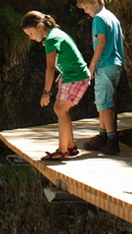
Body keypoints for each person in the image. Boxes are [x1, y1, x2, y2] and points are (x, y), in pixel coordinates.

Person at [22, 11, 91, 161]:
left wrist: (46, 92)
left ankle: (62, 150)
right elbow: (69, 55)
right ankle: (70, 147)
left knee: (60, 109)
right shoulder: (55, 34)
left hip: (76, 76)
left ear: (39, 26)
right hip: (72, 75)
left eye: (30, 33)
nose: (31, 37)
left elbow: (50, 67)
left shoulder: (52, 39)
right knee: (60, 109)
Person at [76, 0, 125, 155]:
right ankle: (103, 136)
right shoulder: (112, 17)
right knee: (104, 101)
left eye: (86, 7)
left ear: (95, 2)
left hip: (104, 65)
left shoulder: (98, 19)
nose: (86, 12)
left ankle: (112, 141)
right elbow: (121, 39)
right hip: (116, 64)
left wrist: (92, 64)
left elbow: (102, 42)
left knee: (104, 104)